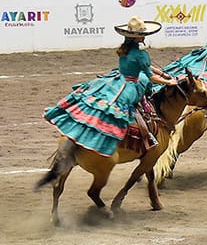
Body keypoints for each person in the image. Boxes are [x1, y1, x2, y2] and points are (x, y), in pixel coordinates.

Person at [43, 16, 178, 156]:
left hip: (116, 79)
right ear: (137, 38)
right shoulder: (141, 54)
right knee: (132, 101)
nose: (144, 37)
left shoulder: (124, 49)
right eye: (142, 35)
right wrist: (169, 82)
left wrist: (162, 73)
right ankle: (144, 133)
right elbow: (150, 76)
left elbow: (146, 66)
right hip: (131, 85)